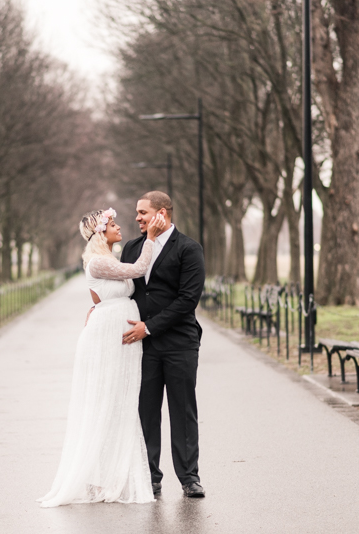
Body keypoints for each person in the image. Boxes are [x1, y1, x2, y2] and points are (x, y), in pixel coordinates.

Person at [37, 207, 167, 508]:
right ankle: (98, 477)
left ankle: (111, 473)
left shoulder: (108, 260)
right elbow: (137, 270)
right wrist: (150, 237)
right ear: (101, 232)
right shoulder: (96, 262)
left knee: (123, 400)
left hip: (120, 333)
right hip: (108, 337)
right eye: (113, 224)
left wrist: (100, 307)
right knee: (105, 400)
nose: (119, 226)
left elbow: (109, 294)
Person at [120, 191, 206, 498]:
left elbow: (188, 300)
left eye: (143, 212)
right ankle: (150, 476)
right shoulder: (131, 248)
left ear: (162, 214)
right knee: (146, 411)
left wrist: (151, 327)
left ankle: (189, 478)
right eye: (137, 212)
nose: (137, 218)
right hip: (142, 347)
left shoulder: (189, 249)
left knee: (183, 410)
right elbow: (125, 291)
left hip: (180, 343)